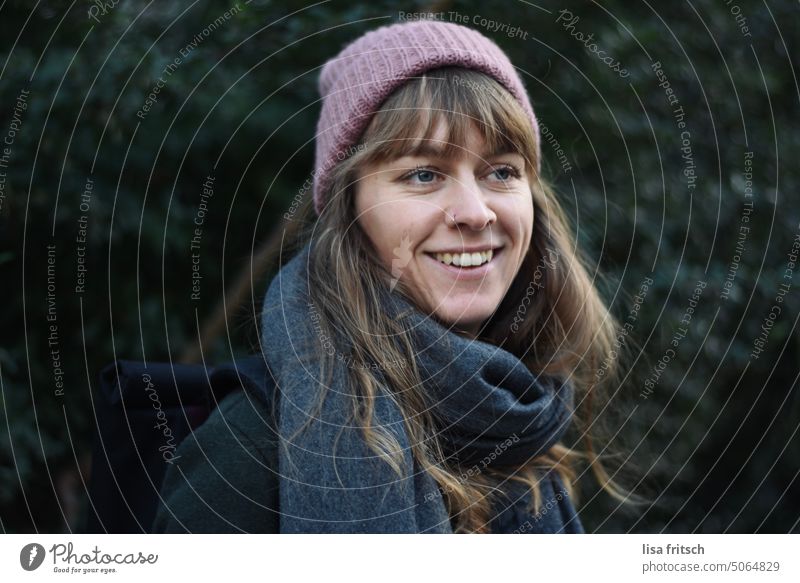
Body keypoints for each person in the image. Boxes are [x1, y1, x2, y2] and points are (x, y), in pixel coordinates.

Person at [152, 19, 631, 534]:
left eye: (502, 172)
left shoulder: (519, 419)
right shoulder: (250, 448)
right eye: (423, 174)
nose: (475, 212)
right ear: (349, 208)